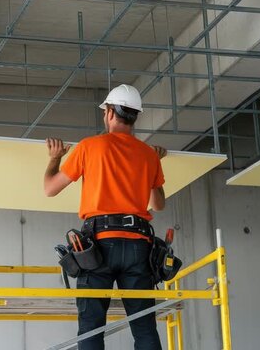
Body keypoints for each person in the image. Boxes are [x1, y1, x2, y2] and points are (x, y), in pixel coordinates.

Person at [43, 84, 167, 350]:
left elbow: (50, 189)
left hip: (98, 246)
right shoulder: (149, 155)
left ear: (110, 113)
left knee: (91, 325)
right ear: (135, 116)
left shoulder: (90, 147)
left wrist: (54, 159)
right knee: (144, 325)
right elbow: (158, 205)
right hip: (139, 246)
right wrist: (153, 165)